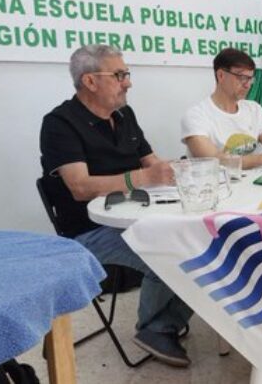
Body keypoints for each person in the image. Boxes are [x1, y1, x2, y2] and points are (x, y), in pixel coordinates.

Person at [39, 45, 194, 367]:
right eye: (120, 75)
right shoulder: (59, 124)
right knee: (169, 253)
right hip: (90, 229)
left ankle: (168, 317)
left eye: (127, 74)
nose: (128, 83)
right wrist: (142, 177)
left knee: (199, 238)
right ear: (90, 81)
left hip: (139, 214)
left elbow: (152, 163)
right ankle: (154, 328)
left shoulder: (124, 115)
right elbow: (80, 187)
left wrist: (179, 171)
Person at [182, 48, 262, 166]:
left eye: (250, 78)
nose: (248, 85)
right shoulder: (196, 115)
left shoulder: (254, 109)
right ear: (221, 75)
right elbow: (215, 161)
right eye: (242, 77)